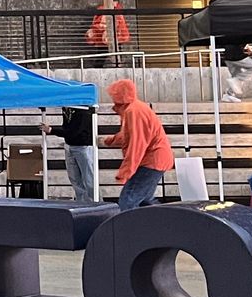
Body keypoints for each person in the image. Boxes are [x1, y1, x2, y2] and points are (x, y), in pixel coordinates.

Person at [103, 78, 173, 211]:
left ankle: (129, 229)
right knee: (144, 200)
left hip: (152, 161)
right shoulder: (135, 108)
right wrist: (110, 140)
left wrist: (125, 171)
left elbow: (137, 144)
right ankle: (164, 223)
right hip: (156, 159)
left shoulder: (133, 111)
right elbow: (129, 135)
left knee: (128, 200)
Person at [40, 106, 98, 202]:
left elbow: (75, 131)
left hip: (83, 146)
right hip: (70, 146)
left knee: (89, 181)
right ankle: (82, 204)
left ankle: (98, 205)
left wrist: (52, 130)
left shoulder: (82, 109)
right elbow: (67, 127)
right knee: (75, 181)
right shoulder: (67, 108)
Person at [221, 38, 252, 102]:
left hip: (227, 57)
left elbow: (245, 44)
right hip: (236, 55)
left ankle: (228, 95)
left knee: (237, 75)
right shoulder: (244, 32)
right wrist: (251, 52)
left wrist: (251, 51)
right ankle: (236, 80)